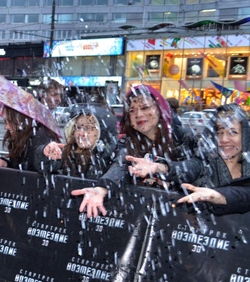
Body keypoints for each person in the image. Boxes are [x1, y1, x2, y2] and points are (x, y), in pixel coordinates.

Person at [72, 84, 202, 218]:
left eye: (145, 107)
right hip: (142, 214)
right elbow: (120, 165)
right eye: (132, 110)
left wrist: (161, 167)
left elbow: (197, 167)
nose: (139, 114)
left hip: (184, 214)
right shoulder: (127, 142)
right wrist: (102, 188)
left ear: (159, 109)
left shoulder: (183, 137)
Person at [177, 103, 250, 214]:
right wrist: (165, 168)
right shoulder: (205, 166)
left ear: (245, 136)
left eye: (232, 132)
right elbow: (187, 168)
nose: (224, 139)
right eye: (219, 132)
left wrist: (221, 197)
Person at [33, 105, 118, 179]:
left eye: (88, 128)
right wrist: (43, 152)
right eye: (77, 127)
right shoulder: (68, 153)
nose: (81, 133)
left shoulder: (112, 160)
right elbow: (44, 167)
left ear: (102, 132)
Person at [0, 106, 60, 172]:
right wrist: (5, 164)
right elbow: (22, 170)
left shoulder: (40, 137)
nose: (6, 127)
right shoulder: (22, 138)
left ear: (22, 120)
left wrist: (43, 153)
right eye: (5, 121)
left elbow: (42, 168)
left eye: (10, 121)